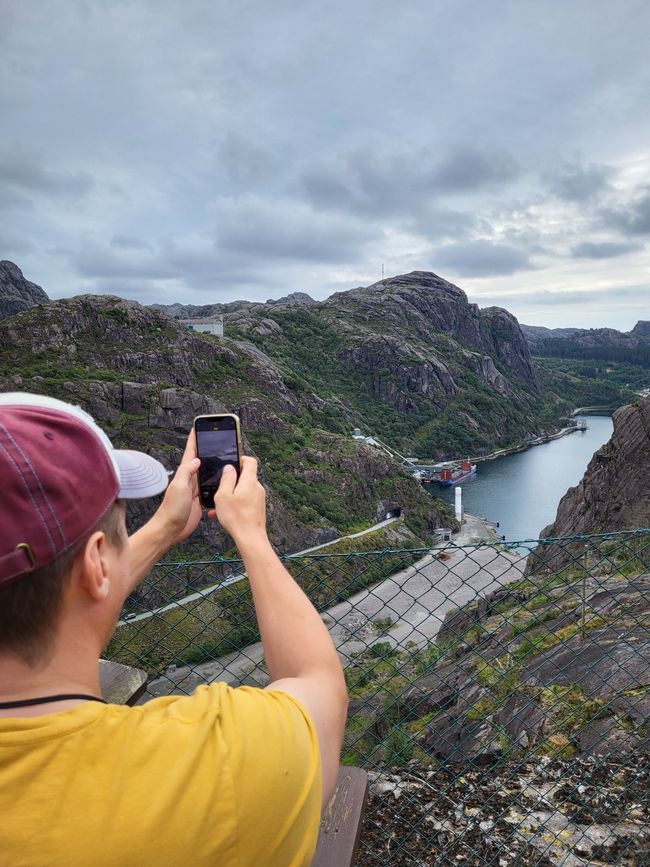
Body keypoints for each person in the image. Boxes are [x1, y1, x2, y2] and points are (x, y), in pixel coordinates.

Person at [0, 393, 348, 866]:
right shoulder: (216, 766)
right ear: (96, 563)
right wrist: (251, 535)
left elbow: (85, 588)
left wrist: (164, 527)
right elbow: (318, 681)